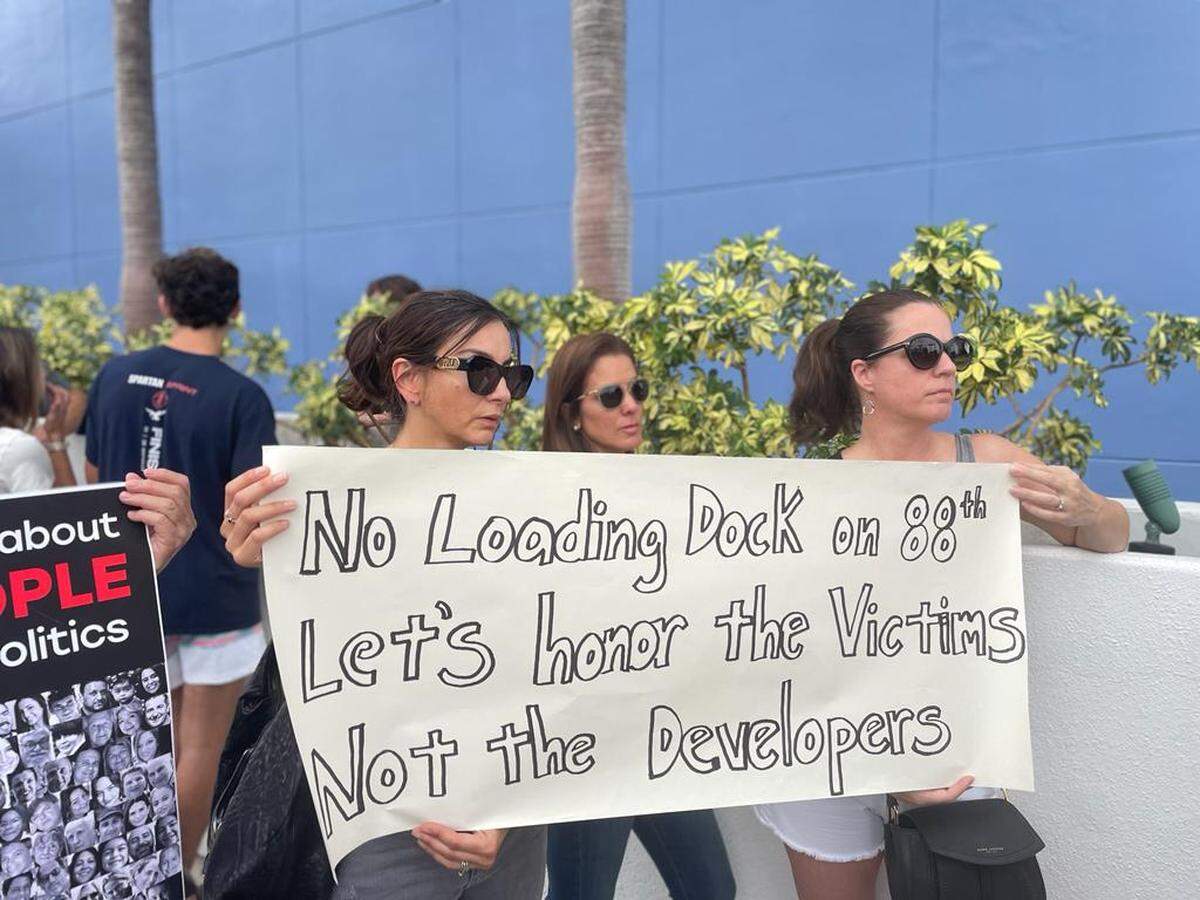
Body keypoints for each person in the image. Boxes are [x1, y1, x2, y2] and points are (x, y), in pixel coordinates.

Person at [758, 287, 1129, 900]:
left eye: (953, 349)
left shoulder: (987, 463)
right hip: (830, 750)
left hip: (948, 748)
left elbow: (1109, 536)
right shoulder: (814, 487)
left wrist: (1089, 508)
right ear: (864, 374)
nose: (949, 366)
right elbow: (794, 641)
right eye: (924, 352)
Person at [216, 290, 545, 897]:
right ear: (408, 380)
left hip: (512, 820)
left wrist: (508, 807)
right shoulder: (324, 511)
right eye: (479, 370)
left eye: (512, 375)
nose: (500, 392)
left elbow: (557, 662)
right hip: (385, 828)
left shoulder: (534, 510)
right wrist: (254, 551)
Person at [82, 247, 276, 877]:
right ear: (237, 310)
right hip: (218, 594)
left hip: (129, 587)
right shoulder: (243, 396)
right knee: (198, 747)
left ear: (163, 304)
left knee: (135, 744)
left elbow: (91, 479)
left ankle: (132, 873)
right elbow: (247, 503)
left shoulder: (113, 374)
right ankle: (177, 879)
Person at [540, 332, 737, 900]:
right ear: (572, 414)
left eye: (637, 389)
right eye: (610, 395)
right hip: (589, 742)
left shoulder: (667, 491)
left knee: (711, 890)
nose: (630, 406)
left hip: (662, 735)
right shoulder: (542, 504)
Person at [0, 326, 76, 492]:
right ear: (20, 377)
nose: (43, 374)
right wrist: (55, 439)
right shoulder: (17, 448)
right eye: (38, 365)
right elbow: (69, 513)